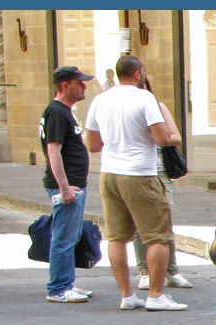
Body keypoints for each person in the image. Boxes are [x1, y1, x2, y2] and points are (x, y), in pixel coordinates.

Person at [84, 54, 187, 311]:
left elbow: (93, 145)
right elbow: (162, 138)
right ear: (139, 74)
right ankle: (155, 295)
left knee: (117, 238)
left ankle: (127, 296)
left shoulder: (100, 100)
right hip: (140, 173)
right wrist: (174, 137)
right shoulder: (145, 98)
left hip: (109, 173)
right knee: (158, 237)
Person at [40, 66, 95, 303]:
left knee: (70, 236)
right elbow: (54, 151)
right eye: (79, 82)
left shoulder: (65, 112)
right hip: (67, 186)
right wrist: (64, 188)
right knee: (63, 238)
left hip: (74, 184)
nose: (84, 87)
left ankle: (66, 283)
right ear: (65, 86)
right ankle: (58, 287)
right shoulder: (56, 113)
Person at [133, 76, 191, 290]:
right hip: (137, 172)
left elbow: (175, 137)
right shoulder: (124, 109)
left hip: (159, 171)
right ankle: (144, 272)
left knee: (165, 221)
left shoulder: (157, 107)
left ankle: (172, 271)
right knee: (140, 225)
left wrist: (160, 136)